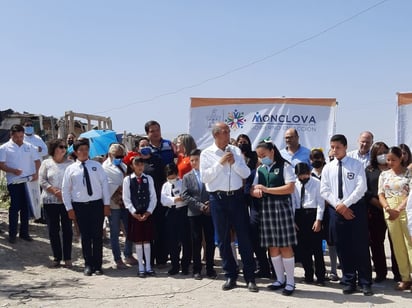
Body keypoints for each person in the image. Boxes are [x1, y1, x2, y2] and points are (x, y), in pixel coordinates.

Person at [200, 122, 258, 292]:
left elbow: (246, 173)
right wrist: (221, 163)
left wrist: (234, 163)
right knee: (223, 240)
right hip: (218, 199)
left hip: (237, 198)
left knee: (245, 238)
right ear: (216, 135)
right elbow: (205, 177)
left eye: (228, 131)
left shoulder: (235, 151)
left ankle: (250, 277)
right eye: (224, 132)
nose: (228, 134)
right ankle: (230, 275)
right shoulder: (206, 154)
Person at [320, 134, 373, 296]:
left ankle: (365, 282)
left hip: (355, 209)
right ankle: (348, 280)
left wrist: (346, 204)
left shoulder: (356, 165)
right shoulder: (328, 167)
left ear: (345, 147)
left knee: (360, 246)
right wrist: (339, 206)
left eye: (338, 147)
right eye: (332, 147)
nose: (334, 150)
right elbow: (324, 190)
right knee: (342, 246)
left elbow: (361, 187)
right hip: (337, 210)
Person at [251, 140, 297, 296]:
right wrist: (254, 191)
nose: (261, 158)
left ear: (272, 151)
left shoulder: (285, 166)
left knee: (285, 246)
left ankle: (290, 281)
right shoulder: (261, 169)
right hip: (266, 210)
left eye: (263, 155)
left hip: (282, 209)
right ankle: (279, 279)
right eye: (259, 156)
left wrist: (267, 189)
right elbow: (253, 188)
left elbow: (290, 188)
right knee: (272, 246)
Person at [62, 139, 111, 276]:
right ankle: (88, 264)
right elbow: (65, 190)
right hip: (79, 206)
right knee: (85, 236)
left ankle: (98, 265)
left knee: (97, 236)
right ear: (76, 152)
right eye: (80, 150)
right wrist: (69, 208)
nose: (83, 152)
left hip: (96, 204)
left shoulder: (96, 166)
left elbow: (104, 186)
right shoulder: (70, 169)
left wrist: (106, 204)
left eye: (86, 149)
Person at [365, 142, 400, 283]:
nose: (383, 155)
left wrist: (391, 208)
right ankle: (380, 272)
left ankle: (398, 273)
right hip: (375, 212)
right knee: (376, 244)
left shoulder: (394, 170)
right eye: (379, 153)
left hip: (394, 212)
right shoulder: (369, 170)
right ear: (373, 155)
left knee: (395, 243)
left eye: (385, 151)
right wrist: (381, 205)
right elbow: (366, 192)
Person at [378, 146, 412, 291]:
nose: (390, 162)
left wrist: (399, 209)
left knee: (409, 243)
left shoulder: (408, 174)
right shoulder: (384, 175)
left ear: (401, 158)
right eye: (388, 159)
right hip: (389, 210)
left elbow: (411, 193)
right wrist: (387, 208)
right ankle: (405, 278)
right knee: (397, 245)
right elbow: (380, 194)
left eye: (394, 160)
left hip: (406, 209)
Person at [237, 134, 271, 278]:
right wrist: (250, 190)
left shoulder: (277, 169)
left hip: (269, 208)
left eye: (264, 155)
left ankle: (275, 270)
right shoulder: (250, 171)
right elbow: (248, 189)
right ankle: (263, 267)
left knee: (272, 241)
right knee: (255, 239)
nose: (261, 158)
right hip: (252, 208)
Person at [0, 124, 41, 243]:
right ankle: (12, 234)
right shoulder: (4, 148)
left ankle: (24, 233)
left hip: (28, 181)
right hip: (14, 181)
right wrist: (13, 171)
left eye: (21, 136)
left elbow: (37, 161)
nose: (19, 139)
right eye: (17, 137)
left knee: (25, 208)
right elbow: (1, 164)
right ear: (11, 135)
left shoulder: (29, 146)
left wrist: (36, 173)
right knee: (14, 208)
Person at [181, 149, 216, 280]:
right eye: (192, 160)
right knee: (195, 241)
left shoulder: (209, 174)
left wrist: (210, 203)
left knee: (210, 241)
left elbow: (215, 189)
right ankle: (197, 269)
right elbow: (185, 195)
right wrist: (200, 205)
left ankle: (210, 268)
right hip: (194, 213)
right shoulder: (187, 177)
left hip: (209, 212)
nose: (194, 163)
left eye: (197, 160)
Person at [39, 139, 73, 268]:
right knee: (53, 230)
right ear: (54, 149)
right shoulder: (46, 163)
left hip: (66, 202)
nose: (64, 149)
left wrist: (64, 194)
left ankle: (68, 257)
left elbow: (74, 180)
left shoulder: (71, 163)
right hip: (50, 201)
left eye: (65, 147)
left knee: (67, 230)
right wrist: (54, 191)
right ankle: (57, 257)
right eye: (61, 147)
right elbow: (42, 180)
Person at [102, 143, 137, 269]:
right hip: (113, 203)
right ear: (111, 155)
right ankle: (117, 258)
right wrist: (118, 189)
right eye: (117, 156)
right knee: (115, 232)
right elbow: (106, 185)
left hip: (125, 202)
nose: (120, 158)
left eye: (122, 155)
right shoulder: (105, 167)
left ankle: (128, 254)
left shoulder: (123, 165)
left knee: (129, 230)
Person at [135, 136, 168, 266]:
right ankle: (148, 260)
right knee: (146, 232)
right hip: (143, 203)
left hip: (158, 203)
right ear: (138, 149)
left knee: (159, 231)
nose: (144, 147)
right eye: (142, 146)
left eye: (146, 145)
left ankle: (161, 259)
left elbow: (164, 179)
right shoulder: (136, 163)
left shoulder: (158, 160)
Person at [123, 156, 157, 277]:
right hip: (135, 214)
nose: (140, 167)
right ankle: (141, 267)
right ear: (132, 166)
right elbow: (126, 198)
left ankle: (148, 266)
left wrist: (149, 211)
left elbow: (153, 196)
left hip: (147, 213)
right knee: (138, 240)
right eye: (137, 164)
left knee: (147, 239)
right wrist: (133, 212)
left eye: (141, 164)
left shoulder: (149, 179)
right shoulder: (128, 180)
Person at [292, 162, 325, 286]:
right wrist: (293, 220)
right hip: (299, 215)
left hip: (313, 214)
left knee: (317, 248)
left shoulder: (316, 183)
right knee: (303, 249)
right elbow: (292, 202)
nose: (303, 178)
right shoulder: (294, 184)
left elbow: (320, 203)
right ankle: (308, 275)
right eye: (300, 175)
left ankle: (321, 277)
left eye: (305, 175)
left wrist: (318, 220)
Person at [309, 148, 340, 282]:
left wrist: (327, 202)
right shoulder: (308, 175)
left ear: (323, 159)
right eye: (313, 159)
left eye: (318, 158)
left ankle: (334, 270)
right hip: (313, 213)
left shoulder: (329, 172)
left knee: (331, 242)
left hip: (329, 211)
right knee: (314, 244)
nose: (316, 161)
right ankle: (318, 270)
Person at [161, 163, 191, 276]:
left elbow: (186, 198)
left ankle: (185, 265)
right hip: (171, 212)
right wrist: (174, 199)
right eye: (169, 177)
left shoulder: (183, 182)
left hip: (182, 212)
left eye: (173, 177)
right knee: (172, 241)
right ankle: (175, 265)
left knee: (185, 240)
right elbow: (164, 200)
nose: (171, 179)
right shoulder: (165, 186)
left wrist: (179, 199)